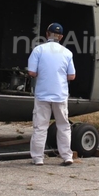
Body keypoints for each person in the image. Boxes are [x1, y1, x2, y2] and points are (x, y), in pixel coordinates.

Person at [27, 22, 76, 166]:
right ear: (61, 37)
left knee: (40, 126)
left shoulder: (38, 50)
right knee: (63, 125)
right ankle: (67, 156)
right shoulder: (67, 53)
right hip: (60, 94)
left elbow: (31, 72)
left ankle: (38, 158)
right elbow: (72, 76)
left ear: (47, 34)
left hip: (42, 94)